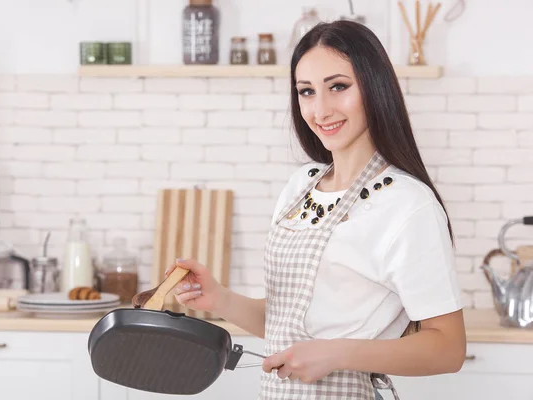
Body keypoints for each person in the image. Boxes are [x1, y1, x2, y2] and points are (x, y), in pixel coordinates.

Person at [164, 20, 466, 399]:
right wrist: (219, 299)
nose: (320, 109)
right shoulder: (300, 186)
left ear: (374, 87)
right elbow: (289, 326)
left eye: (338, 87)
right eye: (306, 92)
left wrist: (337, 354)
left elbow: (449, 348)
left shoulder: (408, 204)